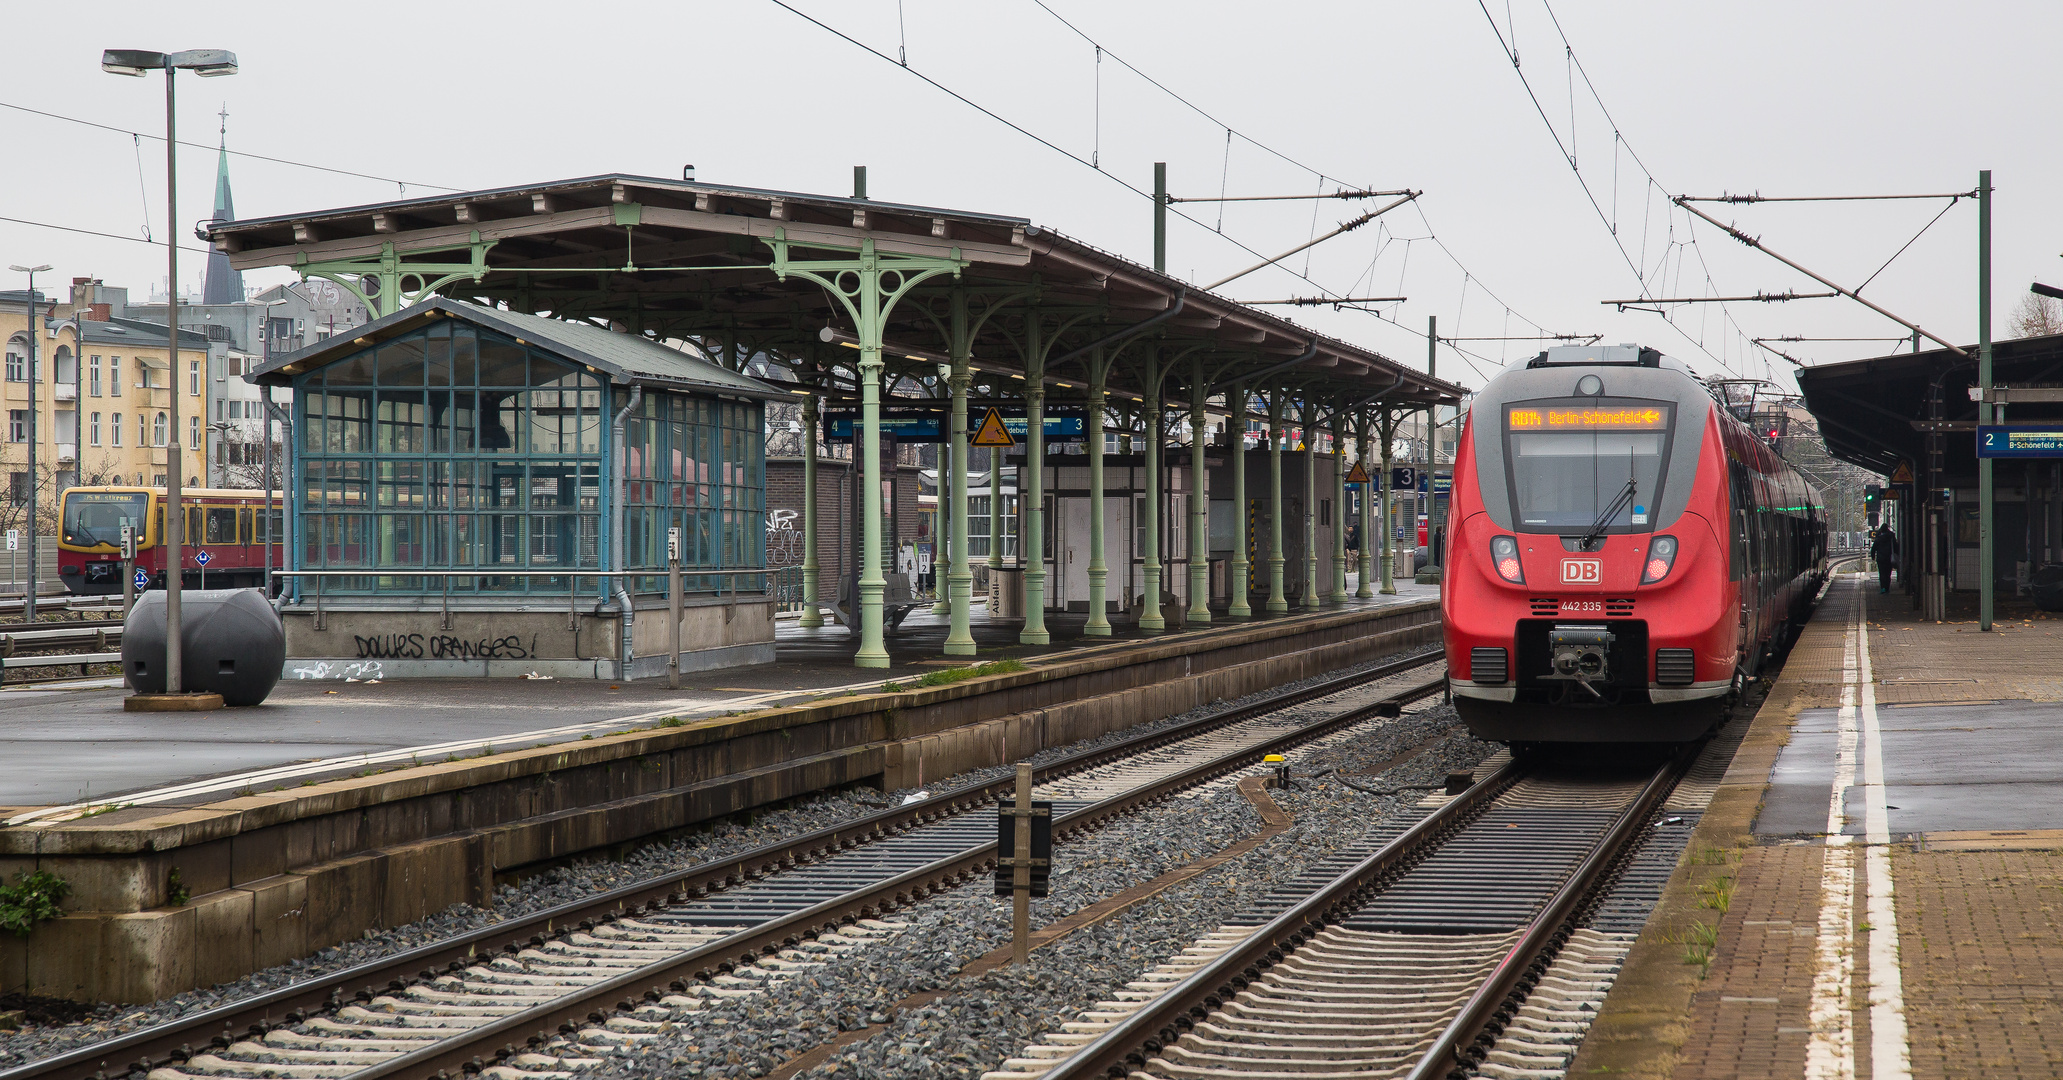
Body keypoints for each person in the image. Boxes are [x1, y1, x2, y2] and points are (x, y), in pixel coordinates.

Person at [1871, 527, 1899, 593]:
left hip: (1880, 558)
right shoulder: (1891, 539)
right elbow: (1896, 547)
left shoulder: (1878, 539)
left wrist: (1873, 557)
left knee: (1882, 573)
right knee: (1888, 574)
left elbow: (1873, 548)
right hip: (1889, 558)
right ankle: (1887, 588)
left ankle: (1882, 588)